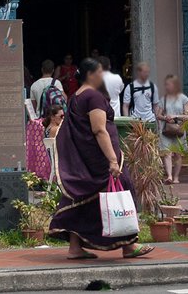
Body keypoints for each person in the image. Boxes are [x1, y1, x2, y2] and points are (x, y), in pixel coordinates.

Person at [47, 58, 152, 260]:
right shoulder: (93, 96)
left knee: (83, 200)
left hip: (85, 159)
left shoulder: (76, 96)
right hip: (100, 160)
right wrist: (112, 160)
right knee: (123, 187)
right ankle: (129, 246)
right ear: (91, 75)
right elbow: (99, 129)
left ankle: (75, 248)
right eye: (100, 73)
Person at [159, 75, 188, 183]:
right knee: (167, 153)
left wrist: (176, 117)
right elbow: (158, 114)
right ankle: (169, 176)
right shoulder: (164, 99)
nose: (167, 86)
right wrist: (165, 117)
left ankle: (176, 177)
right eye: (166, 84)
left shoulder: (183, 99)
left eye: (169, 84)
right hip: (167, 129)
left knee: (178, 154)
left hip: (179, 128)